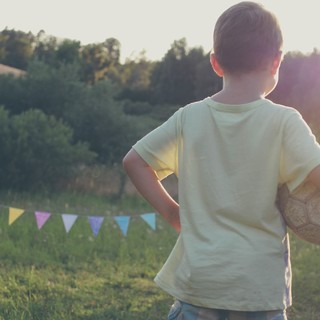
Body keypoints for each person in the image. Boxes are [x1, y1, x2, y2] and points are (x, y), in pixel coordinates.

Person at [123, 1, 320, 319]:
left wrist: (174, 212)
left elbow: (134, 161)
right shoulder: (285, 121)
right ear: (276, 61)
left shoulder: (189, 117)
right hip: (259, 291)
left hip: (200, 285)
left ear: (216, 62)